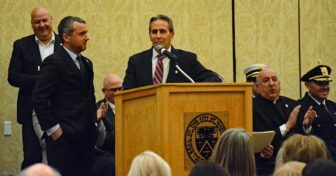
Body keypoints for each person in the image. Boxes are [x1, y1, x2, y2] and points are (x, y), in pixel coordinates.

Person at [32, 16, 96, 176]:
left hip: (86, 140)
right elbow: (39, 98)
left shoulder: (87, 63)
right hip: (64, 141)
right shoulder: (54, 63)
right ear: (66, 37)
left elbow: (88, 96)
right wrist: (54, 130)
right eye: (82, 34)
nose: (87, 37)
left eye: (86, 33)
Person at [7, 7, 61, 169]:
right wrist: (42, 79)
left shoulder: (65, 43)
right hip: (30, 112)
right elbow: (13, 77)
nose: (42, 25)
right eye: (37, 22)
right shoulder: (21, 45)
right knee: (32, 157)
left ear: (51, 20)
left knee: (59, 157)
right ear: (31, 24)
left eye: (45, 20)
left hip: (61, 112)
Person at [123, 14, 221, 90]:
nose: (158, 36)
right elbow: (127, 92)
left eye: (162, 31)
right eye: (154, 32)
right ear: (150, 35)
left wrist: (194, 91)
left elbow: (213, 78)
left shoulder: (187, 60)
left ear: (171, 35)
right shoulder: (136, 61)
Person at [253, 68, 302, 175]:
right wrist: (288, 125)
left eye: (274, 79)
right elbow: (262, 139)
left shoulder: (292, 104)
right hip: (268, 166)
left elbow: (299, 134)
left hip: (294, 162)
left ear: (279, 84)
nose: (271, 84)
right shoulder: (252, 107)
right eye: (266, 80)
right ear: (257, 87)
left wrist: (306, 125)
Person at [295, 65, 336, 160]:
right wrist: (306, 127)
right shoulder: (300, 107)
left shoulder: (333, 106)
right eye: (320, 84)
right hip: (318, 161)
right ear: (308, 85)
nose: (325, 87)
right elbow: (296, 140)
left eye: (327, 83)